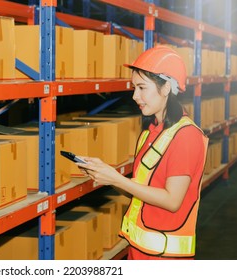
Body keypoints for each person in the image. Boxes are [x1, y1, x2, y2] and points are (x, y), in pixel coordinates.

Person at [77, 45, 208, 260]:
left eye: (141, 87)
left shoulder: (186, 136)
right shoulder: (150, 134)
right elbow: (139, 190)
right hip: (139, 252)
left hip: (165, 261)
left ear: (165, 88)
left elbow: (172, 200)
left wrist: (117, 178)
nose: (134, 96)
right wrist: (107, 176)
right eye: (133, 88)